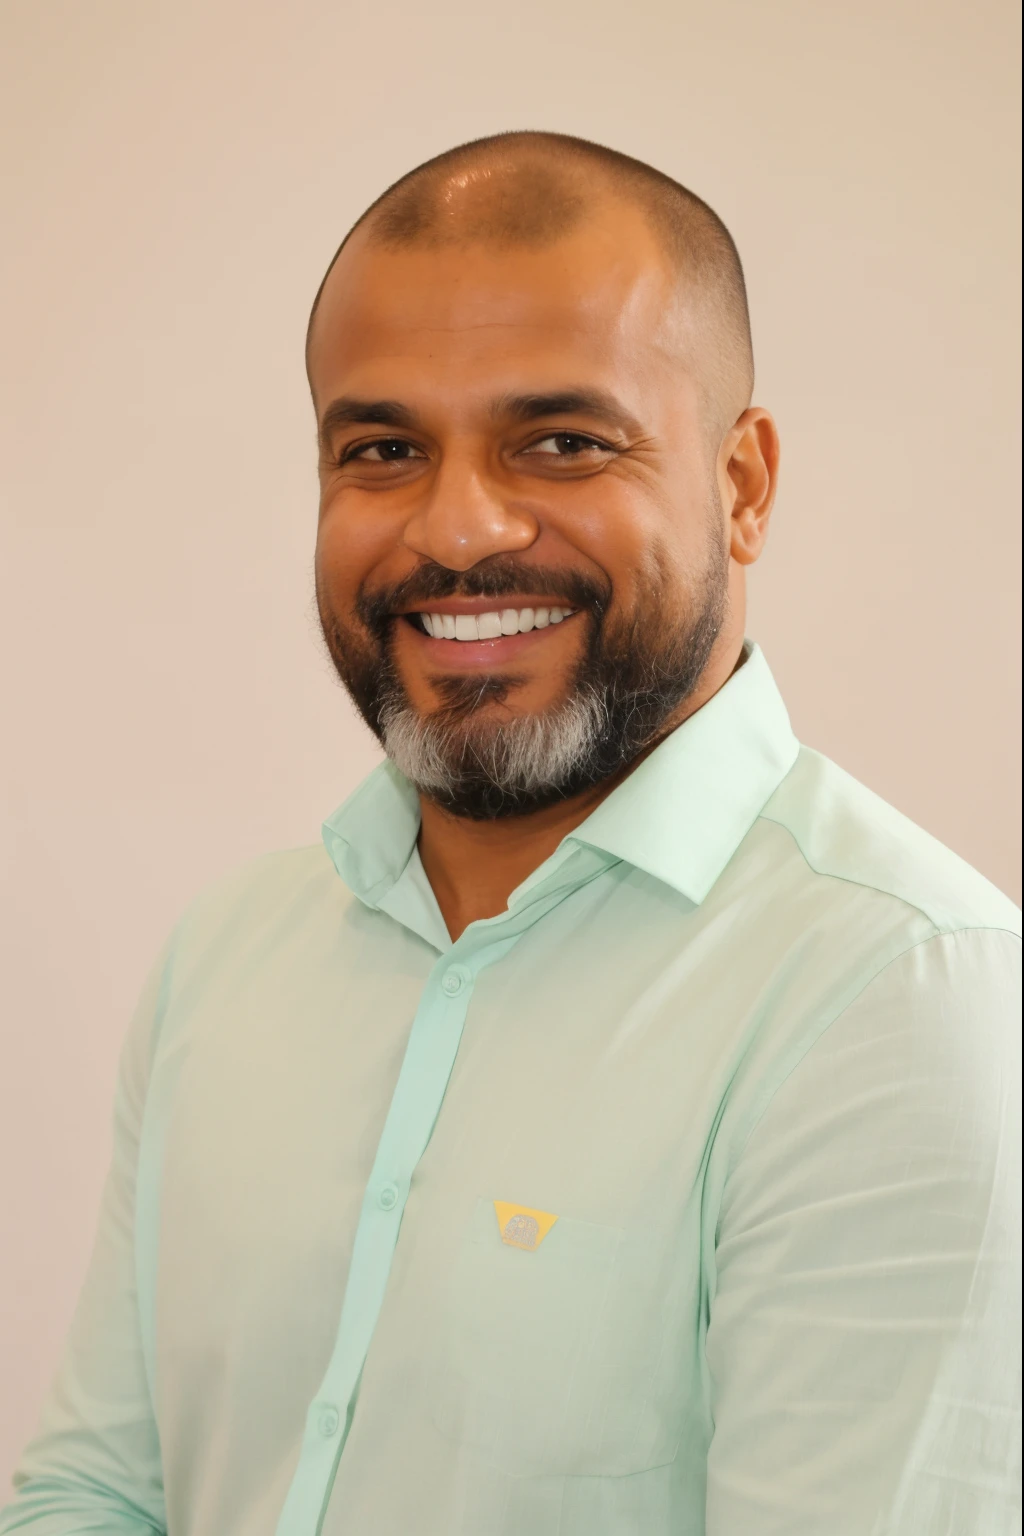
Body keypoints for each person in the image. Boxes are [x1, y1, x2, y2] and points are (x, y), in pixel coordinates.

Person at [1, 131, 1019, 1536]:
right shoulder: (226, 959)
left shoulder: (906, 997)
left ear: (743, 485)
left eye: (561, 440)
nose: (459, 527)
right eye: (383, 450)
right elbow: (96, 1493)